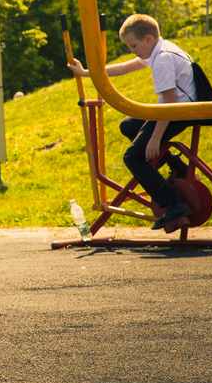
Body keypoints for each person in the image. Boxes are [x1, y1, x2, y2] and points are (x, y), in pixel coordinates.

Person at [68, 13, 200, 230]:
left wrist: (155, 138)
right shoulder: (160, 48)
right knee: (128, 126)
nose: (132, 50)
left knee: (132, 157)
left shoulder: (163, 58)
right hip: (179, 109)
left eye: (133, 45)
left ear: (148, 39)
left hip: (179, 112)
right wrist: (86, 73)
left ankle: (173, 204)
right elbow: (125, 67)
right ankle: (177, 166)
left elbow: (169, 102)